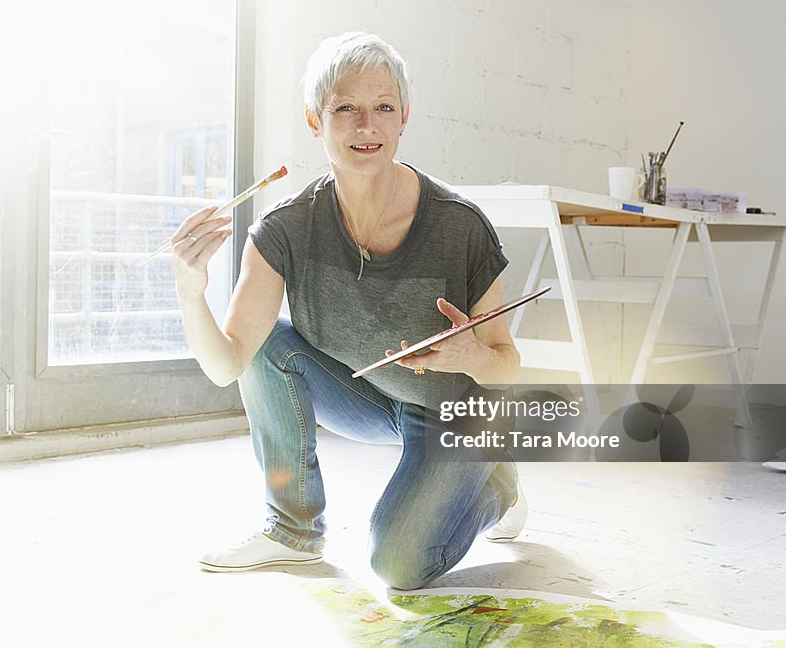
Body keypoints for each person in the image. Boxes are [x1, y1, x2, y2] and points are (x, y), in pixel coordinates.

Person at [170, 32, 526, 590]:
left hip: (457, 414)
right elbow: (228, 364)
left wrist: (474, 355)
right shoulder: (283, 230)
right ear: (315, 120)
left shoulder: (460, 225)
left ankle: (496, 488)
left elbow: (507, 368)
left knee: (399, 566)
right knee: (267, 342)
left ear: (404, 116)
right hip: (372, 399)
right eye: (346, 109)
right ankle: (292, 530)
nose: (368, 126)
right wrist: (191, 292)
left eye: (384, 107)